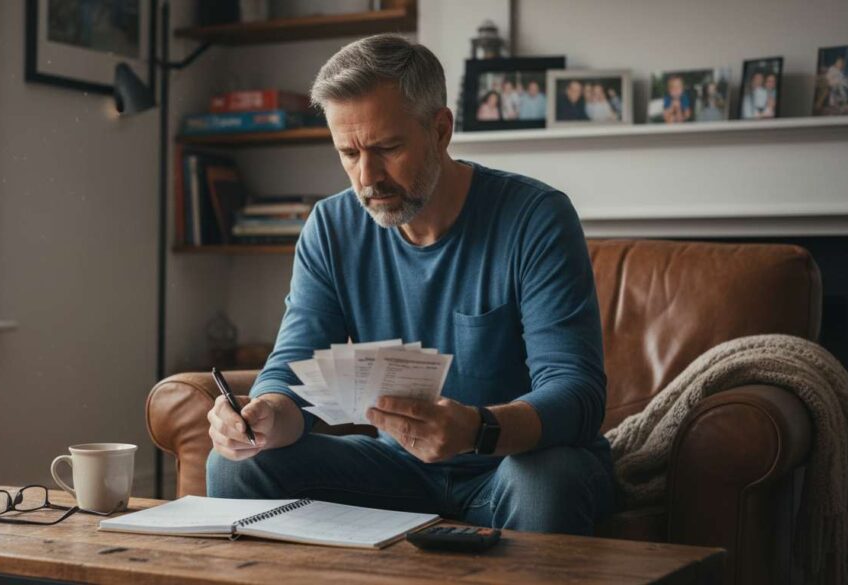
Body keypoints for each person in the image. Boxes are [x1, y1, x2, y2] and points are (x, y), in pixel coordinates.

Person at [205, 34, 615, 537]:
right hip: (398, 471)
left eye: (387, 148)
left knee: (547, 481)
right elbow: (294, 371)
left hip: (513, 465)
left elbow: (577, 393)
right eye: (348, 153)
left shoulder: (535, 218)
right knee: (234, 466)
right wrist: (263, 415)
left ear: (440, 129)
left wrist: (477, 428)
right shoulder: (331, 227)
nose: (367, 177)